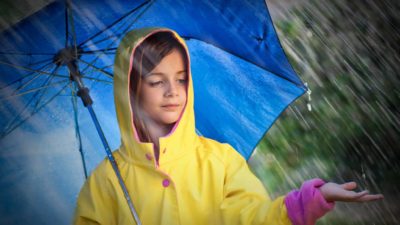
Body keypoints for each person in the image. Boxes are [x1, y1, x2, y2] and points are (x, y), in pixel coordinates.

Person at [73, 27, 383, 225]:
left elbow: (254, 218)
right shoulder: (106, 182)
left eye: (181, 79)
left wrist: (306, 202)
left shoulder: (219, 161)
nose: (173, 91)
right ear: (130, 91)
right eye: (156, 82)